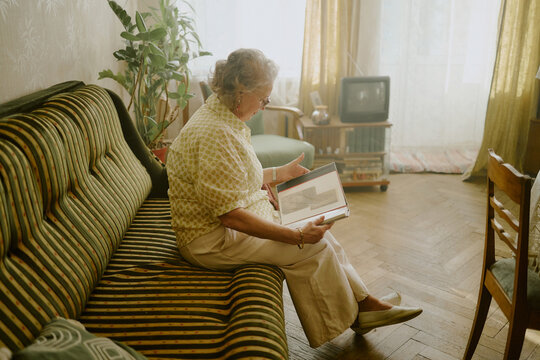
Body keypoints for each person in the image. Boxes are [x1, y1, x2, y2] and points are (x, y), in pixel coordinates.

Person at [167, 48, 422, 348]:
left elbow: (230, 180)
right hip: (211, 240)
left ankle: (366, 303)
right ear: (240, 92)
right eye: (263, 99)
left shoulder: (220, 113)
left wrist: (277, 173)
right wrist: (295, 235)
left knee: (319, 230)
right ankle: (356, 314)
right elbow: (230, 215)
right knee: (312, 245)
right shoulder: (215, 134)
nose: (265, 106)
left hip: (226, 224)